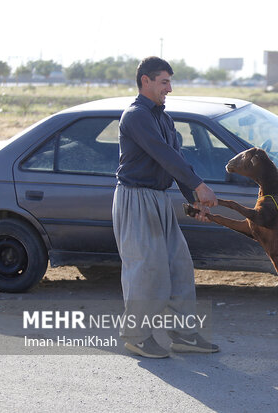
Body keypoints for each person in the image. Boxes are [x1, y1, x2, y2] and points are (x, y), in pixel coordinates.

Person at [113, 56, 219, 358]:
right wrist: (200, 186)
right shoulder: (135, 116)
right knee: (146, 270)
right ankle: (136, 336)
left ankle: (184, 335)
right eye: (164, 82)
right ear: (145, 81)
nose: (169, 88)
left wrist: (194, 200)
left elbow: (177, 162)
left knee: (178, 266)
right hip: (135, 199)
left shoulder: (163, 118)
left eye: (170, 82)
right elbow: (162, 154)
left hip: (159, 198)